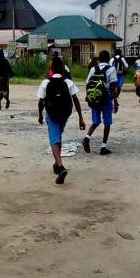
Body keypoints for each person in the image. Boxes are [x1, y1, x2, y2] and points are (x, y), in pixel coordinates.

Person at [37, 56, 85, 184]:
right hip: (64, 115)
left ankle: (60, 166)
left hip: (51, 114)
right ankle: (56, 163)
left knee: (54, 140)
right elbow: (76, 100)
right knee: (58, 137)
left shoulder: (45, 83)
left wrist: (40, 115)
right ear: (63, 70)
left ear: (51, 69)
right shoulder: (68, 82)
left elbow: (41, 101)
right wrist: (80, 118)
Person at [82, 50, 119, 155]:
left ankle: (87, 138)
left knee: (96, 121)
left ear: (99, 59)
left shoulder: (93, 68)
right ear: (109, 59)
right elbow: (113, 86)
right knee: (107, 122)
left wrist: (90, 96)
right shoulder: (111, 69)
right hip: (106, 96)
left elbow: (88, 83)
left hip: (95, 96)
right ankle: (103, 146)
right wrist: (115, 101)